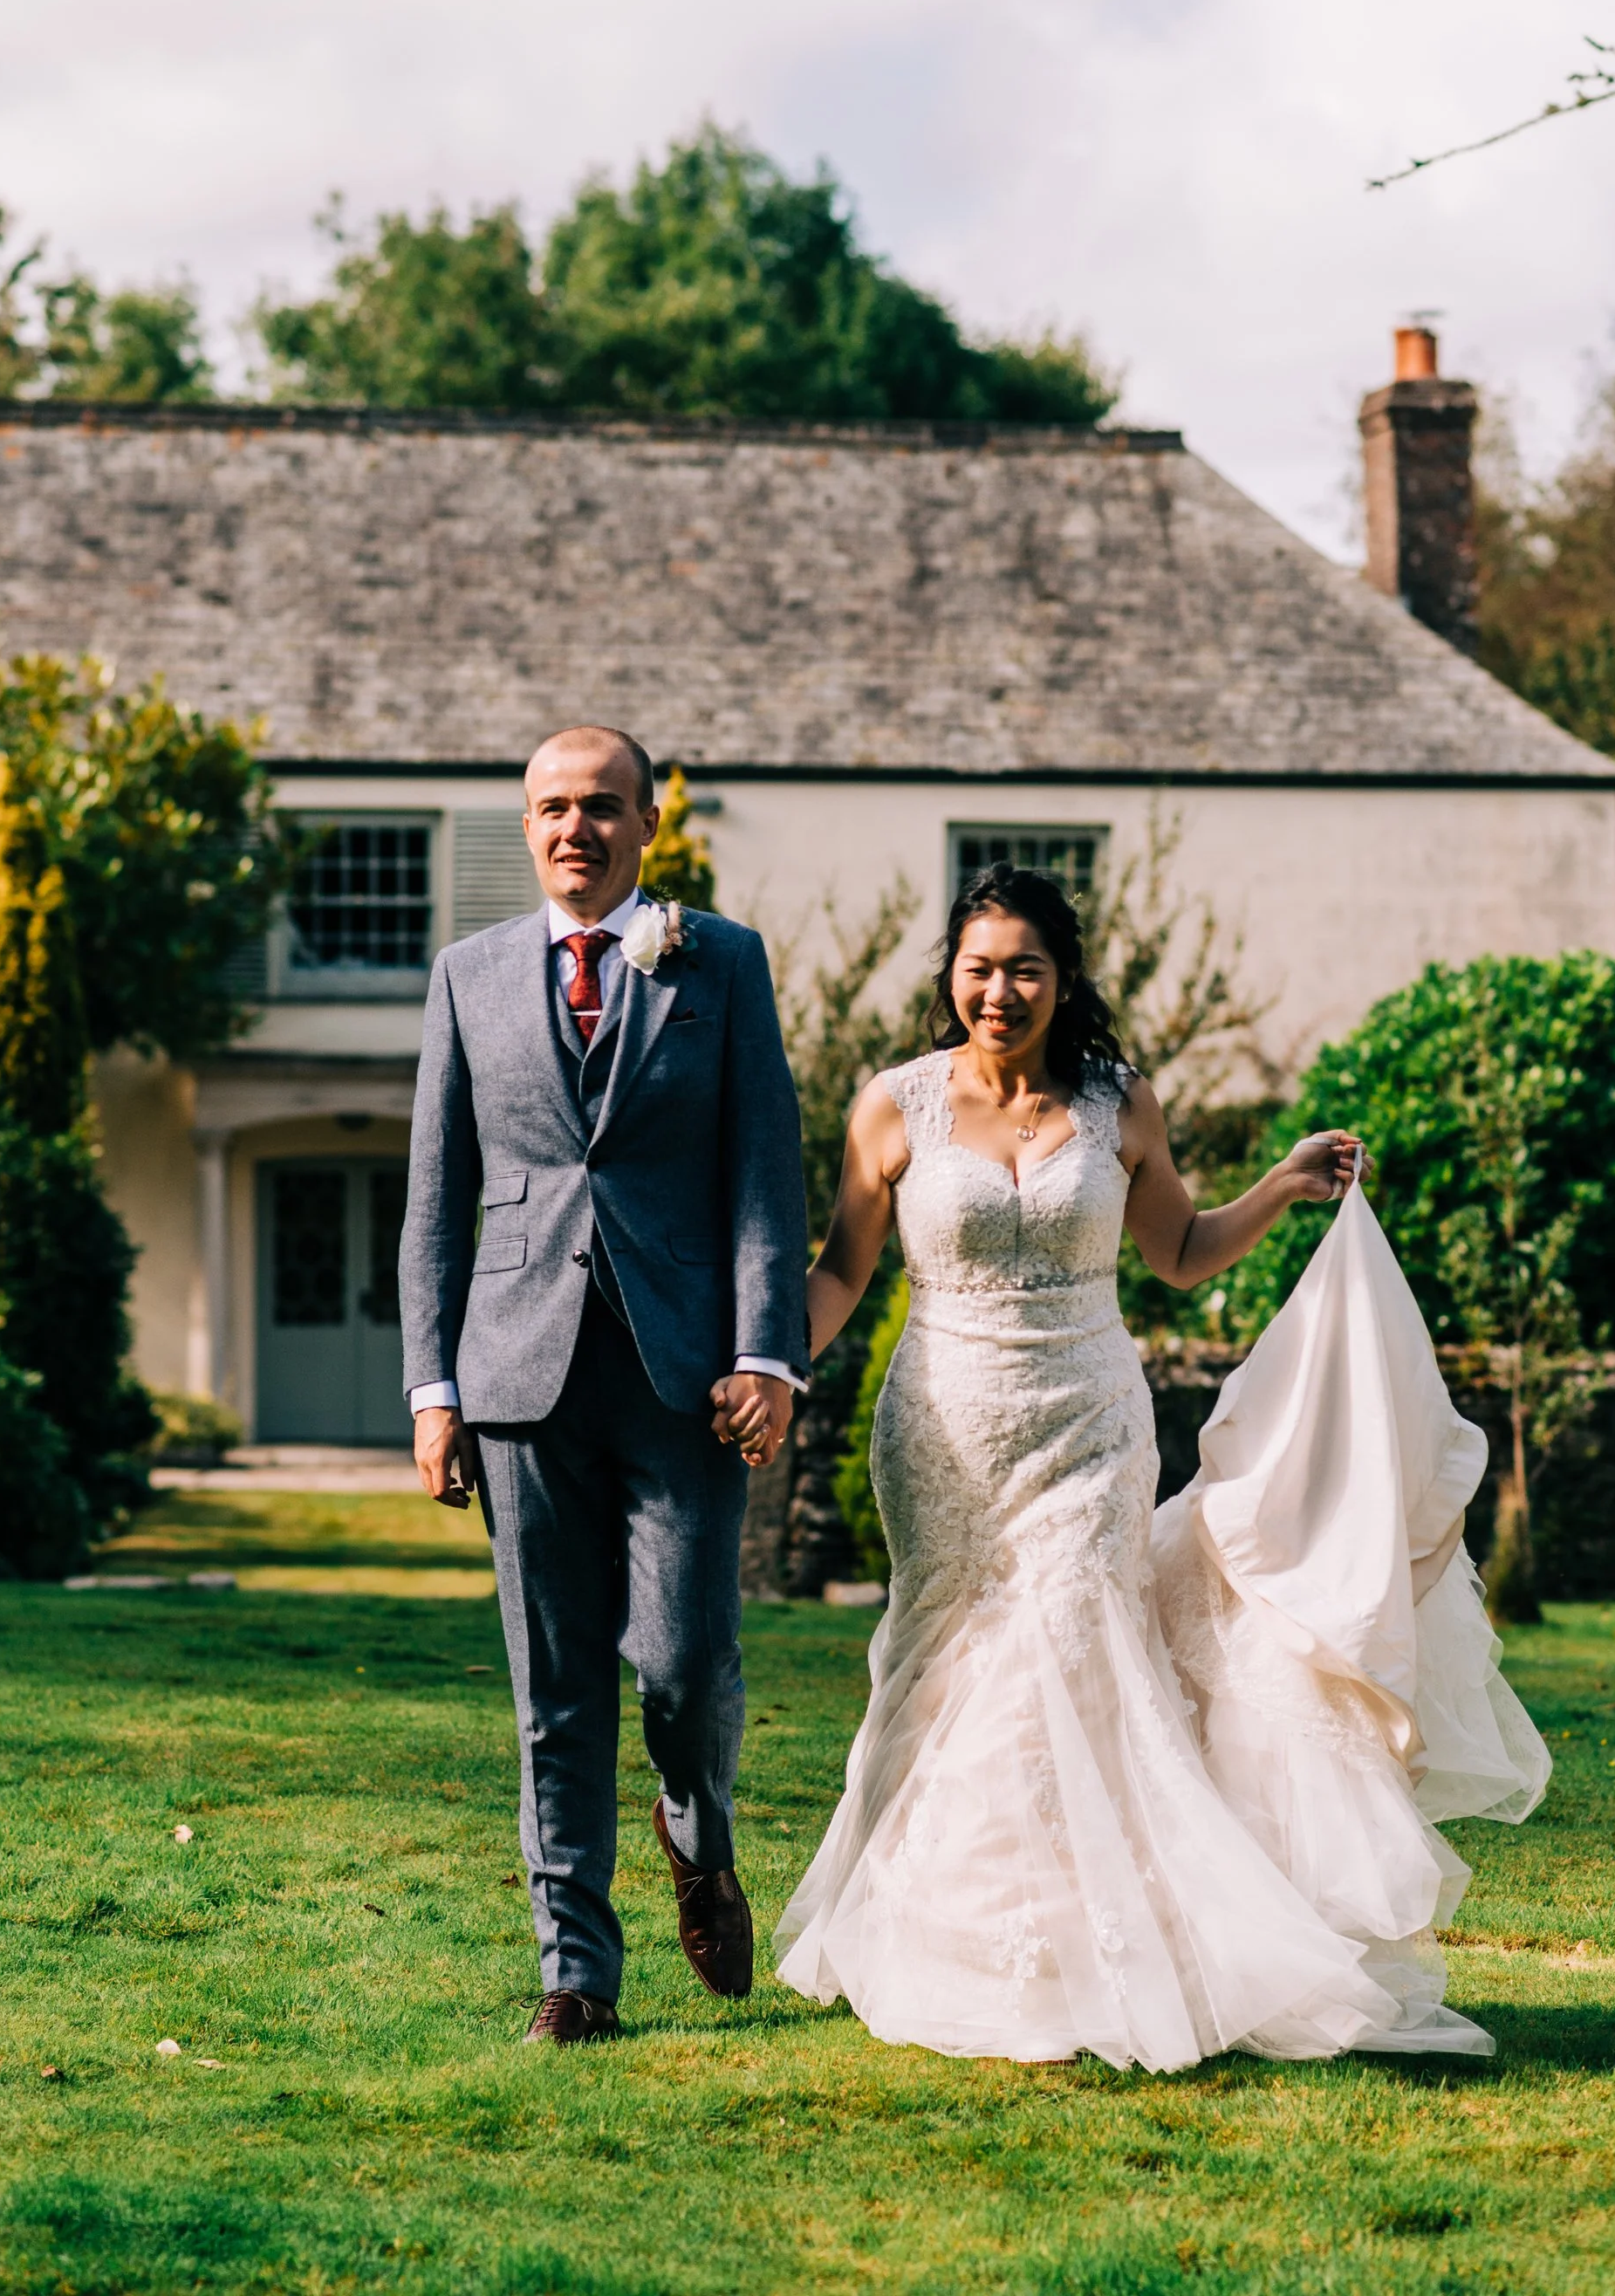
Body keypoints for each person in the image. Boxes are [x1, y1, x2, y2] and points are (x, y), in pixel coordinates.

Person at [775, 864, 1549, 2071]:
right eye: (978, 968)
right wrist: (766, 1361)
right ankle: (939, 1929)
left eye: (1025, 967)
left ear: (1065, 978)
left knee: (1075, 1649)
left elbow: (1179, 1252)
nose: (1000, 990)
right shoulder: (895, 1107)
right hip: (945, 1433)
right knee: (944, 1662)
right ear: (950, 978)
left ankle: (1090, 1947)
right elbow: (838, 1273)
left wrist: (1282, 1188)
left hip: (1091, 1423)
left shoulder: (1119, 1103)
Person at [400, 724, 809, 2046]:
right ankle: (577, 1976)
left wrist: (764, 1353)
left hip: (682, 1373)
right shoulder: (466, 977)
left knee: (685, 1666)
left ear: (647, 825)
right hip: (519, 1375)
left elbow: (764, 1169)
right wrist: (432, 1385)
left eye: (601, 808)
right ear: (528, 828)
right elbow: (435, 1201)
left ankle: (697, 1827)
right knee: (554, 1689)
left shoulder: (723, 962)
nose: (574, 829)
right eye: (551, 809)